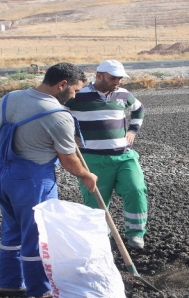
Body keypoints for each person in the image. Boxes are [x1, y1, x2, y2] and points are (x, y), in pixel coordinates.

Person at [0, 62, 98, 298]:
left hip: (2, 176)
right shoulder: (59, 116)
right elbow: (69, 160)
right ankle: (40, 290)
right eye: (75, 90)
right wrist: (86, 175)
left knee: (12, 232)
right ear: (62, 84)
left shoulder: (10, 98)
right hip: (32, 181)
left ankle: (8, 284)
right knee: (38, 236)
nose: (74, 95)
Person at [64, 60, 148, 249]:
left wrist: (133, 131)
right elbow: (58, 114)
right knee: (96, 201)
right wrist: (70, 135)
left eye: (119, 78)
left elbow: (139, 110)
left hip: (124, 156)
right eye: (113, 78)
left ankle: (135, 234)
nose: (117, 81)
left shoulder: (124, 95)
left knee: (136, 190)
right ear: (99, 75)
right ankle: (102, 238)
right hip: (92, 158)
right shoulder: (77, 95)